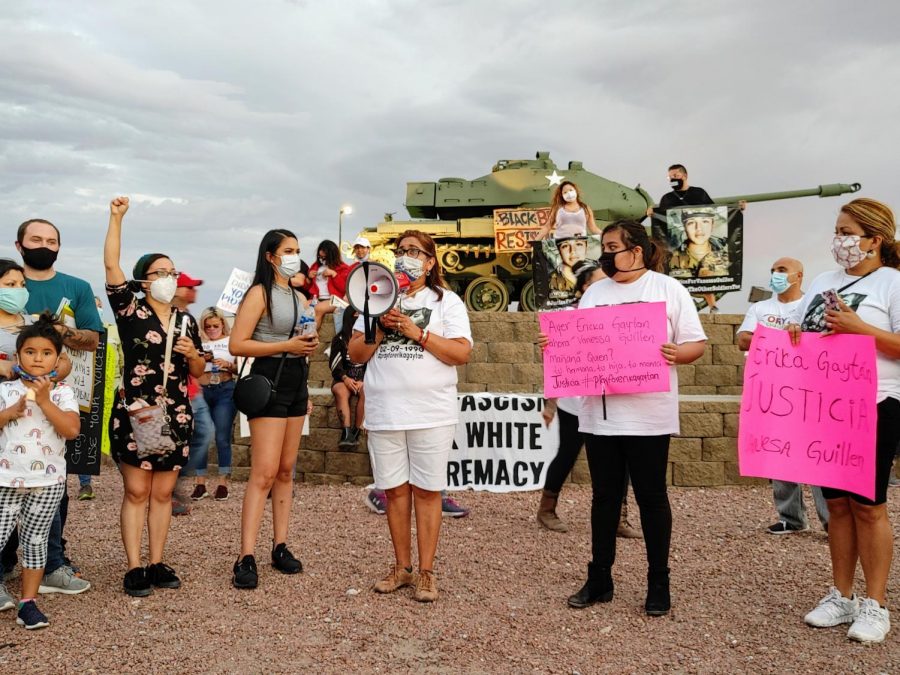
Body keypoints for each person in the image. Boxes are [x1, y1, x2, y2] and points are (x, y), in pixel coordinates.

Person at [541, 220, 706, 616]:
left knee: (651, 498)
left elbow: (695, 343)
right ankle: (600, 578)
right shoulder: (595, 292)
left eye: (612, 246)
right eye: (604, 246)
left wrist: (675, 354)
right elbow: (579, 344)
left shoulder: (669, 289)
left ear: (636, 249)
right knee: (604, 498)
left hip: (649, 415)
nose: (605, 253)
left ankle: (658, 582)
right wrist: (557, 345)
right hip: (601, 415)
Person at [791, 198, 900, 643]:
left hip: (875, 403)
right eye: (837, 231)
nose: (839, 240)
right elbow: (805, 334)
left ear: (874, 240)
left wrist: (861, 329)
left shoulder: (892, 283)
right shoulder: (822, 281)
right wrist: (793, 338)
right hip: (826, 406)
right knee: (836, 505)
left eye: (847, 232)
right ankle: (842, 595)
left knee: (868, 507)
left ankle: (877, 605)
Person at [348, 230, 472, 602]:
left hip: (431, 410)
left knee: (428, 491)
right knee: (395, 491)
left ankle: (427, 571)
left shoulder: (446, 301)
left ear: (430, 261)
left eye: (415, 251)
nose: (406, 257)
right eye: (400, 251)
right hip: (386, 410)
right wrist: (380, 328)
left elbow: (460, 353)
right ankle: (402, 567)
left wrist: (417, 333)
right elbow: (356, 354)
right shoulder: (376, 295)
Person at [104, 196, 206, 597]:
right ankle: (134, 566)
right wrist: (116, 218)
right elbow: (111, 266)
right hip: (139, 411)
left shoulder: (186, 319)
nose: (168, 277)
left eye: (172, 271)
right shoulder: (130, 310)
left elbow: (198, 371)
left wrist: (192, 354)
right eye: (159, 272)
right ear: (143, 279)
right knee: (137, 491)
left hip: (177, 413)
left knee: (163, 493)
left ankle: (158, 561)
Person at [14, 217, 101, 595]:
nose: (44, 245)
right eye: (36, 239)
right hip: (7, 398)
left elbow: (93, 338)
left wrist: (64, 335)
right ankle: (5, 566)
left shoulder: (76, 287)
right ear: (19, 245)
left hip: (55, 398)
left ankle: (52, 562)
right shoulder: (8, 282)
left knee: (52, 482)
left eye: (51, 240)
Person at [229, 229, 318, 590]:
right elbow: (237, 343)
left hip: (297, 378)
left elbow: (305, 336)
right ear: (270, 256)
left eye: (297, 250)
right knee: (263, 473)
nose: (294, 255)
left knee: (285, 470)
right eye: (288, 250)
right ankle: (245, 555)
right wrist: (288, 344)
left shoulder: (297, 295)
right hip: (268, 378)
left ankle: (280, 544)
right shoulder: (258, 293)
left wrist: (307, 340)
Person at [537, 261, 640, 539]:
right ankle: (547, 509)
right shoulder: (567, 316)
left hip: (613, 399)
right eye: (598, 280)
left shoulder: (619, 313)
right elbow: (554, 362)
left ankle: (619, 516)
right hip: (576, 402)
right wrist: (550, 403)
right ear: (584, 287)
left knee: (623, 459)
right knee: (568, 453)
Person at [737, 257, 829, 535]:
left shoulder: (810, 306)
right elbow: (743, 339)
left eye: (781, 270)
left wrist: (770, 339)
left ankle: (831, 521)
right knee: (780, 450)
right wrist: (788, 341)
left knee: (816, 454)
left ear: (799, 275)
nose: (775, 274)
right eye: (773, 270)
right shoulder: (760, 307)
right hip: (771, 390)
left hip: (809, 388)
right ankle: (791, 517)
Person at [0, 314, 81, 629]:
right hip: (5, 480)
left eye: (46, 353)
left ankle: (28, 603)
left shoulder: (62, 394)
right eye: (30, 351)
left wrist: (45, 402)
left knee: (36, 542)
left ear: (58, 358)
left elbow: (71, 429)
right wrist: (8, 413)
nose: (37, 358)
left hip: (47, 483)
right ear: (18, 355)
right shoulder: (6, 390)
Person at [171, 273, 214, 513]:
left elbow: (195, 360)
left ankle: (173, 482)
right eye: (189, 287)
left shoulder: (188, 319)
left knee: (204, 434)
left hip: (192, 390)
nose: (194, 291)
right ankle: (168, 488)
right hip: (178, 391)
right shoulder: (172, 318)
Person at [193, 306, 238, 500]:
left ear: (222, 325)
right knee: (201, 436)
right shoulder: (198, 343)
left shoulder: (231, 342)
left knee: (222, 436)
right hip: (202, 389)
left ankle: (222, 483)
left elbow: (242, 367)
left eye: (215, 326)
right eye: (208, 326)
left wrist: (227, 364)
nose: (212, 329)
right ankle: (200, 483)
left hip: (224, 389)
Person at [330, 309, 366, 449]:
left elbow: (372, 362)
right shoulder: (339, 339)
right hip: (344, 376)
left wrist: (363, 379)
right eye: (355, 316)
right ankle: (346, 433)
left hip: (363, 377)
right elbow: (334, 363)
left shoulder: (369, 339)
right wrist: (345, 378)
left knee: (368, 390)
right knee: (340, 391)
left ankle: (356, 432)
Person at [667, 208, 730, 279]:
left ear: (712, 225)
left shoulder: (728, 257)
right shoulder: (670, 259)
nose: (698, 228)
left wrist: (737, 209)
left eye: (705, 221)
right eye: (691, 222)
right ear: (685, 227)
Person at [306, 240, 351, 331]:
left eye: (325, 257)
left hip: (336, 299)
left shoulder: (343, 267)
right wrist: (309, 278)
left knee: (318, 309)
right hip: (317, 298)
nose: (322, 259)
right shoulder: (315, 266)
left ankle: (310, 336)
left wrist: (334, 274)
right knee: (303, 306)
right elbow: (307, 288)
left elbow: (344, 288)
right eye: (320, 257)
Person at [536, 181, 601, 241]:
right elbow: (547, 227)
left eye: (571, 190)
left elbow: (593, 228)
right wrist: (535, 241)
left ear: (576, 191)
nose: (569, 193)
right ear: (562, 195)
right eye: (565, 192)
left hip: (580, 243)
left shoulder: (585, 208)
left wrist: (607, 235)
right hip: (560, 244)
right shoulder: (558, 208)